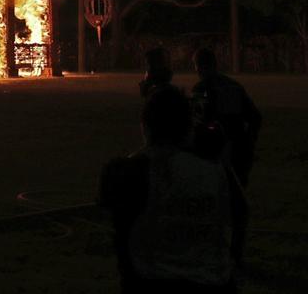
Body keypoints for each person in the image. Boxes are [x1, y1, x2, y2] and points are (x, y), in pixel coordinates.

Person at [99, 85, 246, 293]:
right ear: (188, 128)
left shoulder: (127, 172)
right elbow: (239, 212)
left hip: (151, 282)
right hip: (212, 283)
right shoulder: (214, 171)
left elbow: (113, 218)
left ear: (145, 127)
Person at [191, 48, 263, 187]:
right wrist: (249, 141)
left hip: (215, 153)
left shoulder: (201, 89)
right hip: (238, 149)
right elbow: (255, 117)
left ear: (198, 67)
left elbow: (199, 121)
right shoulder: (234, 86)